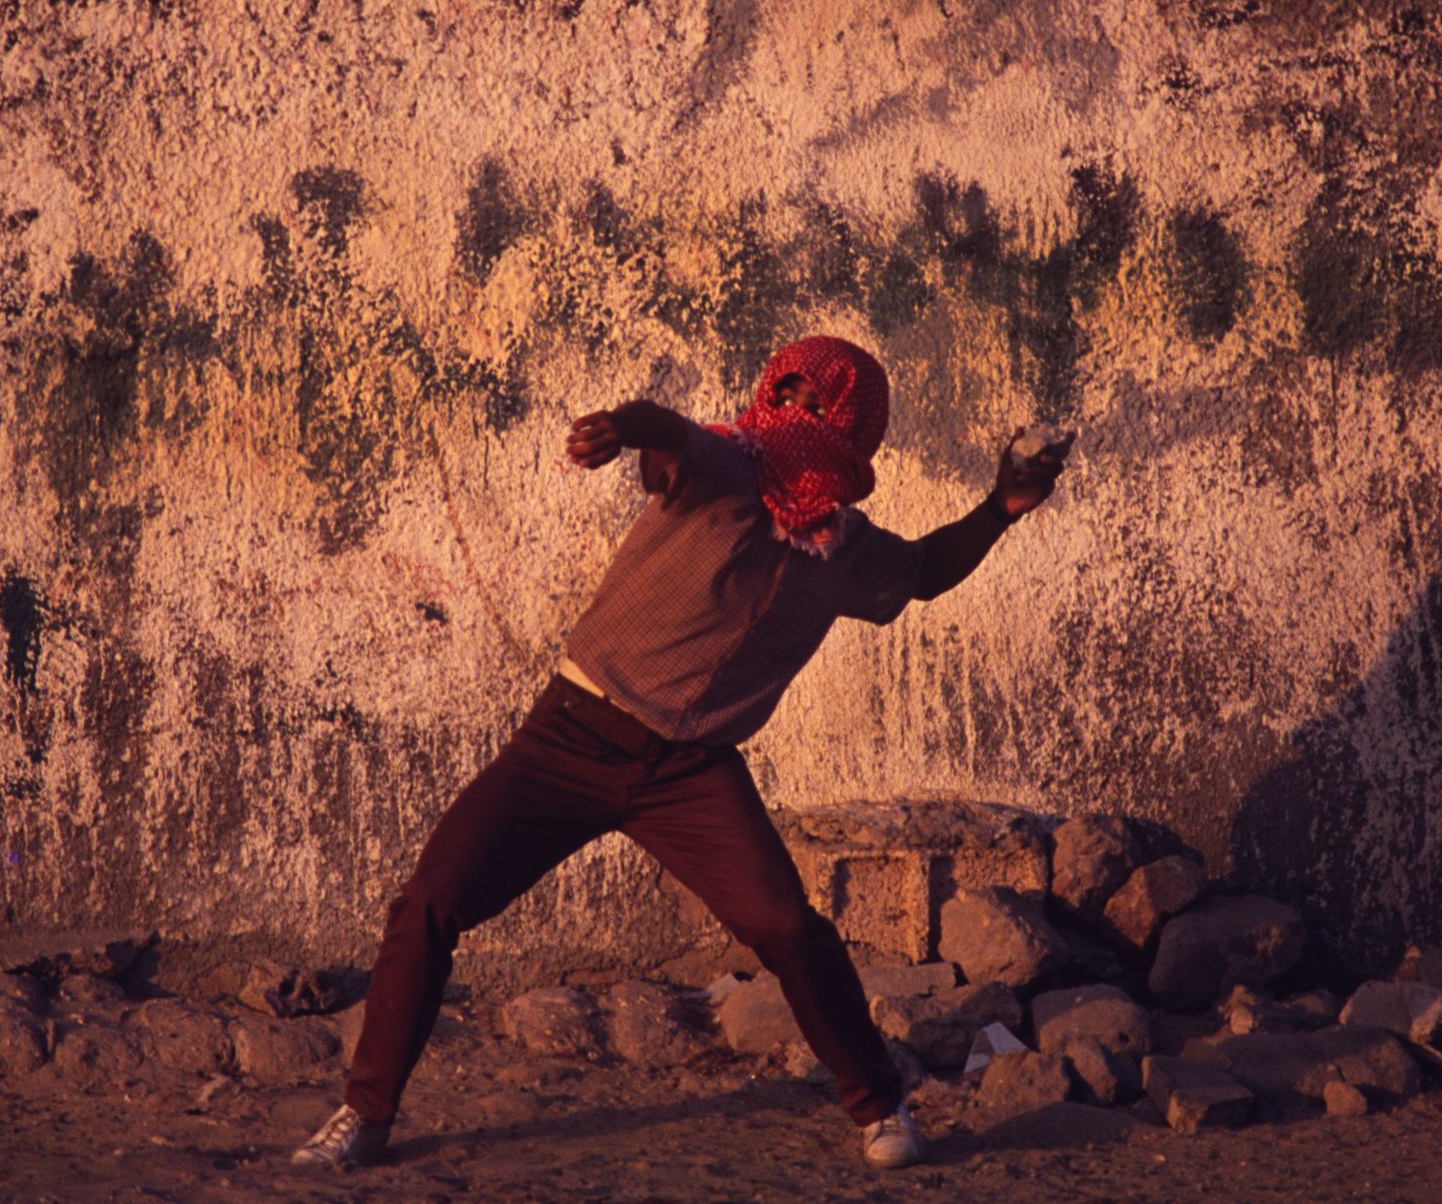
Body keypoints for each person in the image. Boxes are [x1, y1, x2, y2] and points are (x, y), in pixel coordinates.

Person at [293, 335, 1072, 1172]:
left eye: (821, 408)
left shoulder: (846, 551)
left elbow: (923, 572)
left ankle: (880, 1108)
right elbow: (671, 433)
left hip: (689, 774)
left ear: (855, 433)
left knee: (787, 926)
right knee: (429, 902)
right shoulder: (726, 467)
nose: (797, 416)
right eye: (790, 394)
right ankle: (363, 1115)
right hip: (569, 736)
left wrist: (1002, 508)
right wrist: (620, 428)